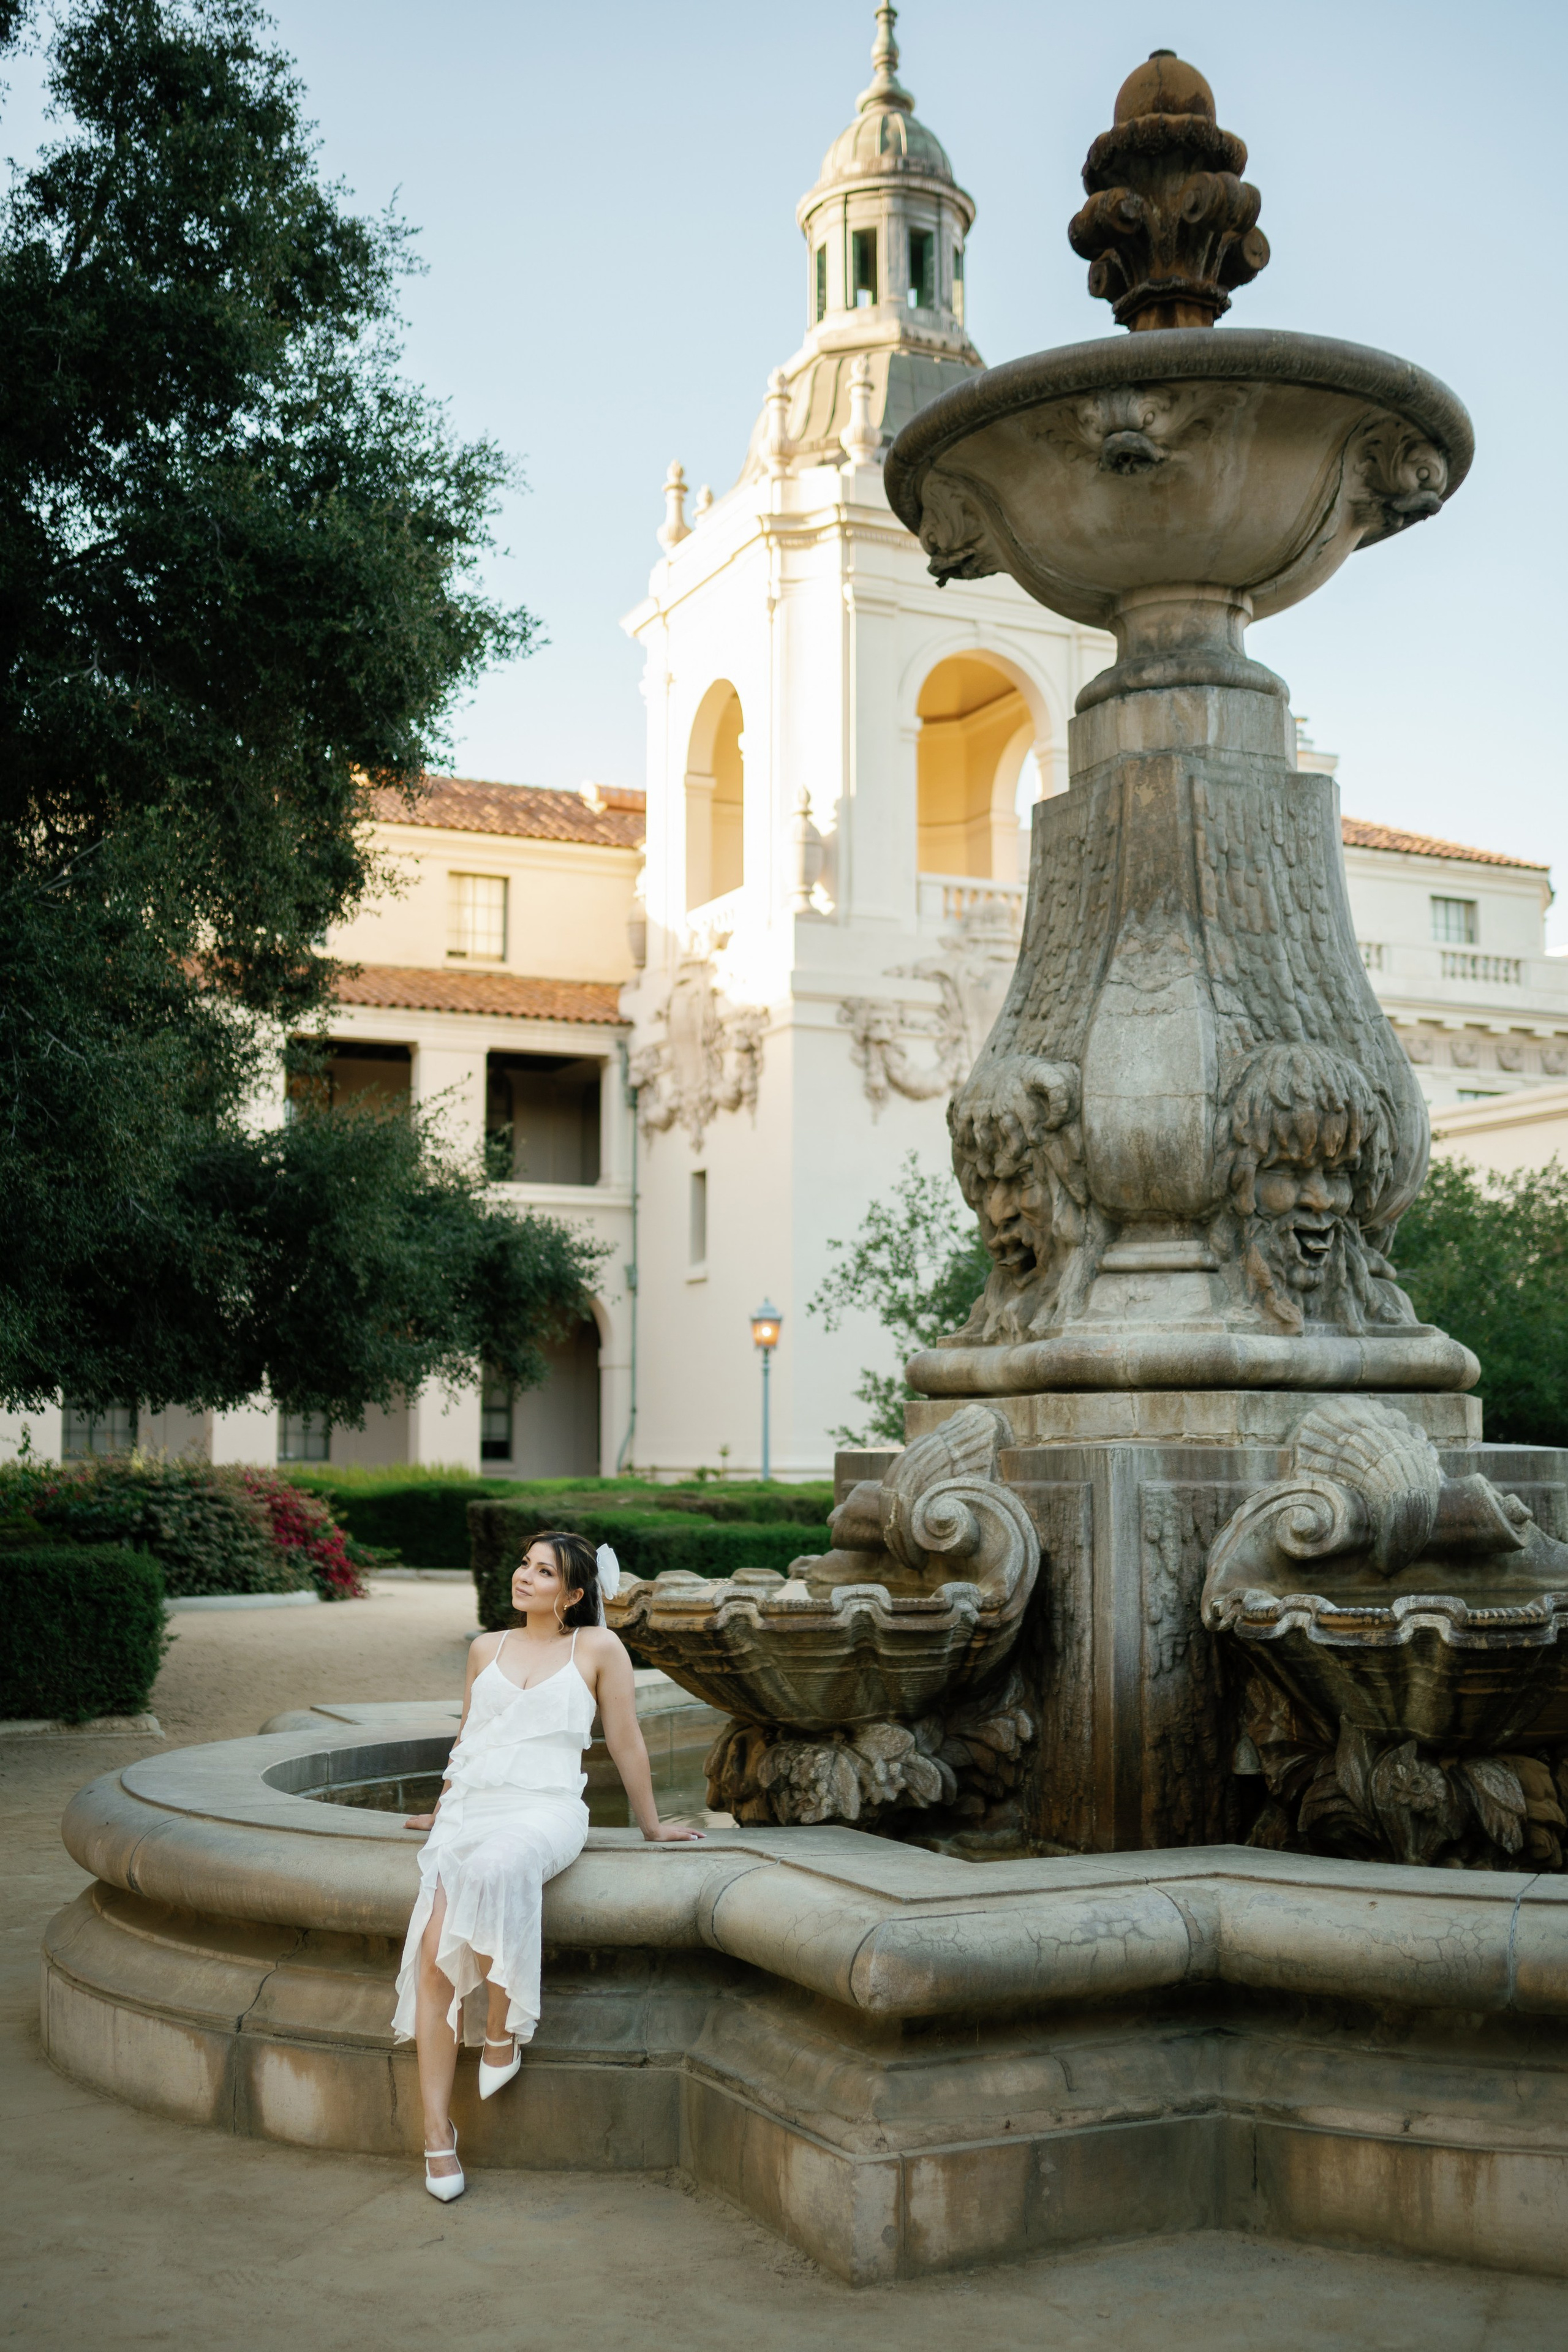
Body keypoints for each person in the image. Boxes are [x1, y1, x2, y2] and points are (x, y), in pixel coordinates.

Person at [391, 1530, 703, 2201]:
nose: (523, 1577)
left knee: (503, 1864)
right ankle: (436, 2134)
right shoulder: (486, 1649)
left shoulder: (597, 1648)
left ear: (572, 1594)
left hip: (547, 1809)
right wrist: (441, 1807)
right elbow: (469, 1740)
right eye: (523, 1565)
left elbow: (624, 1739)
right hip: (473, 1807)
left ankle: (502, 2031)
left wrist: (650, 1825)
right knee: (431, 1949)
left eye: (542, 1571)